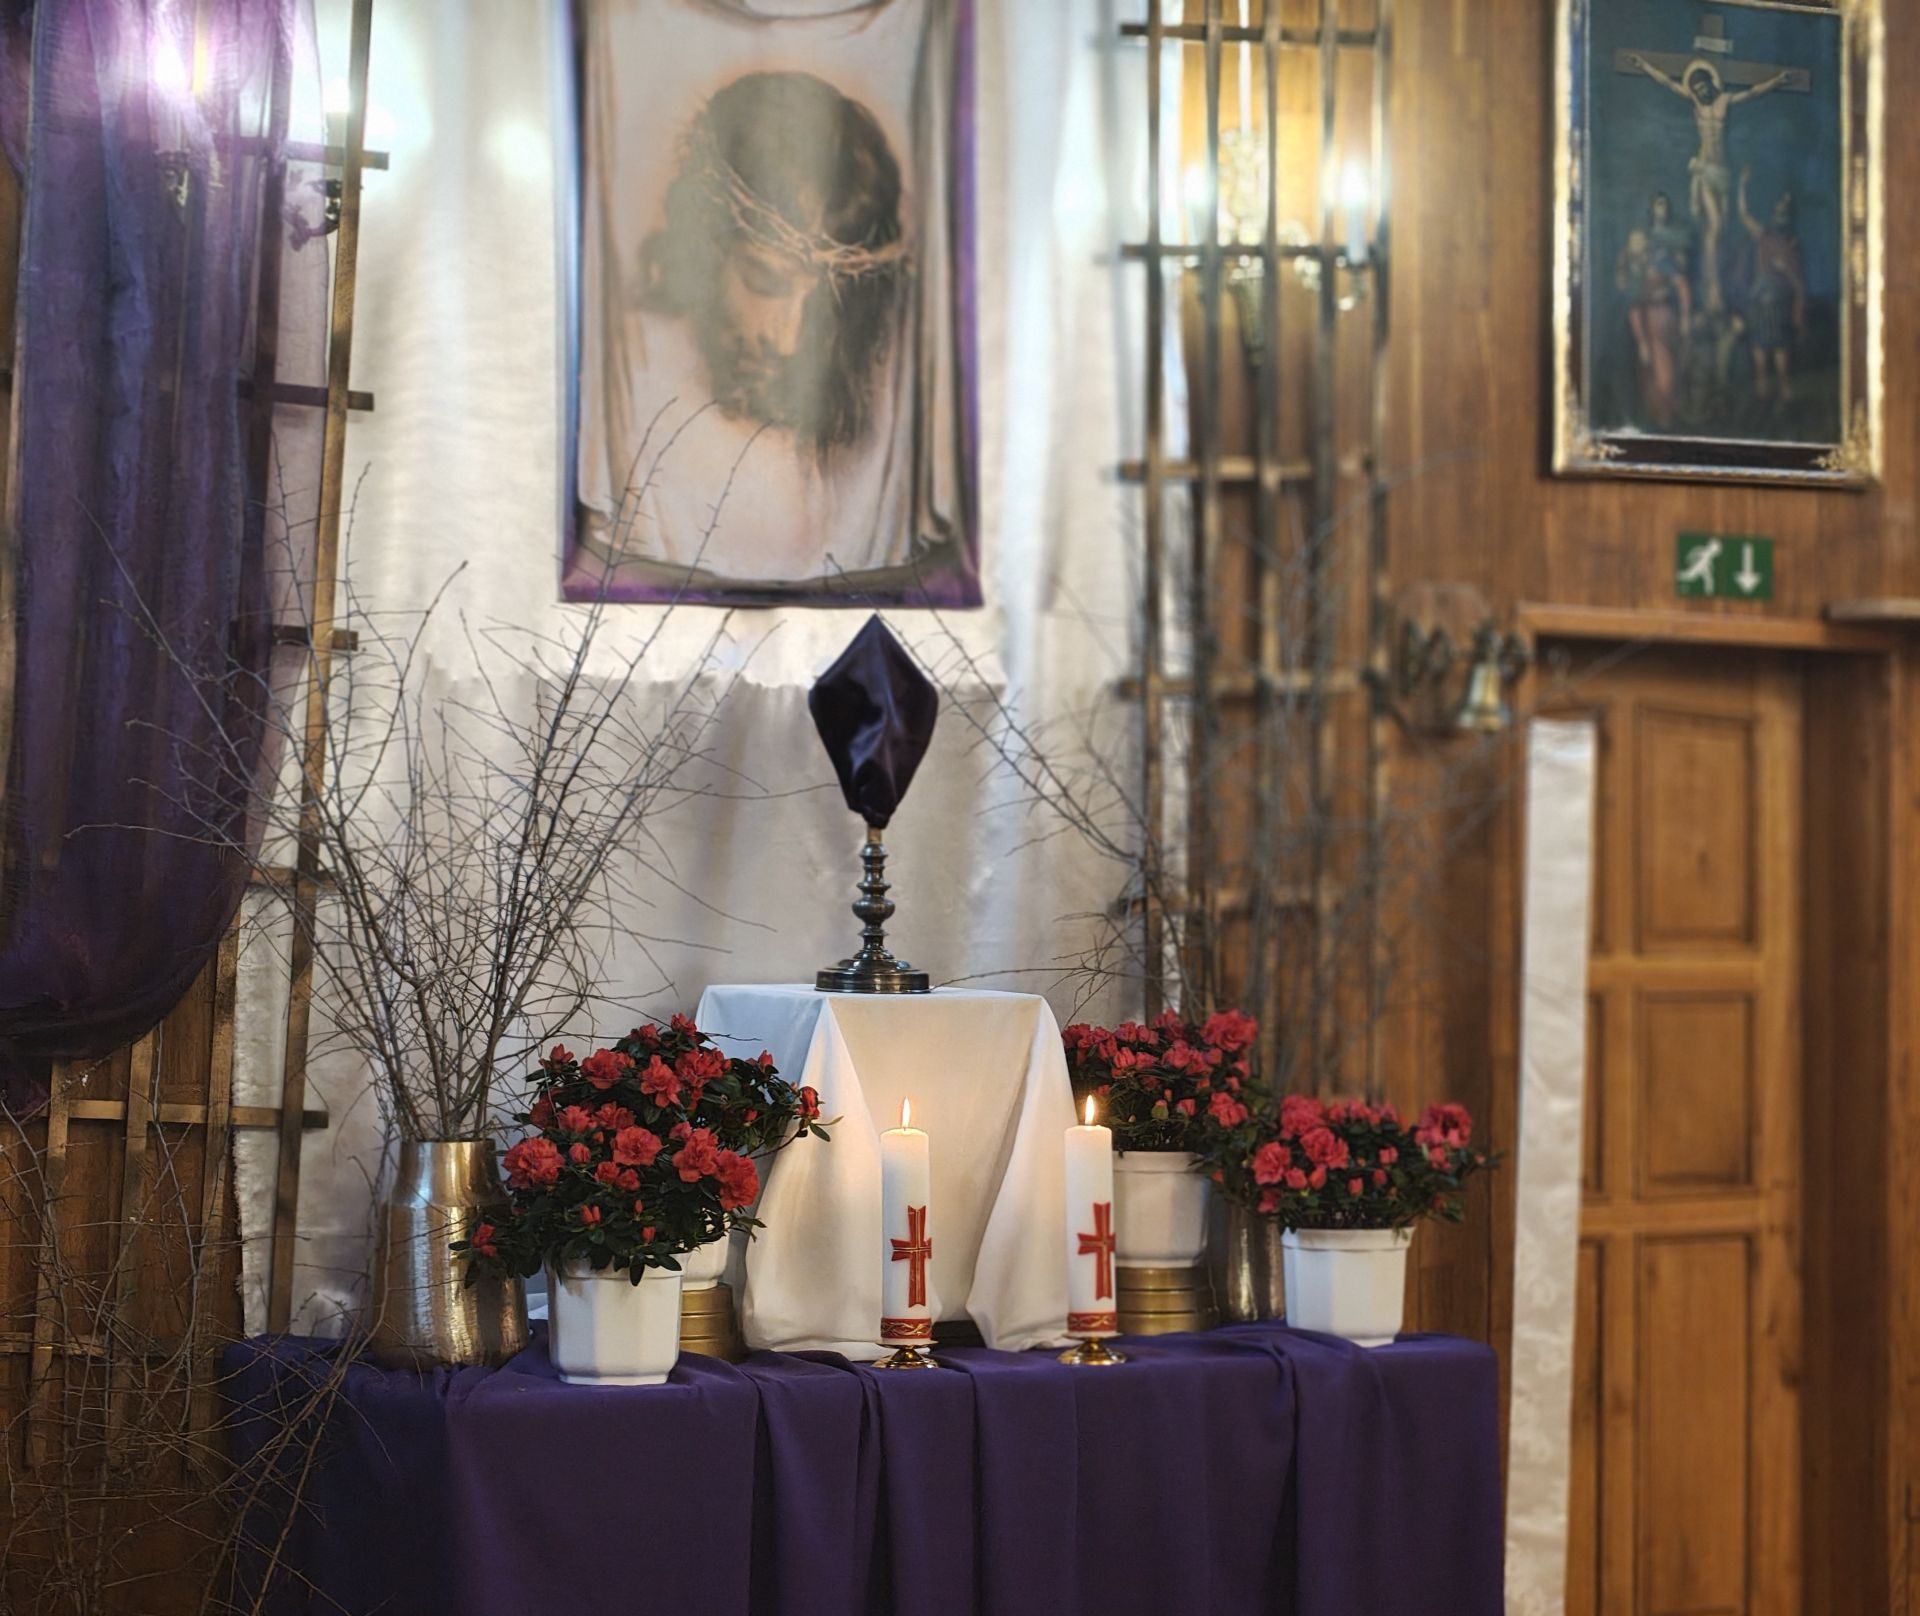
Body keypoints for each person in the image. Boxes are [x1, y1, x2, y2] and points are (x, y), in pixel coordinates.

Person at [639, 71, 910, 459]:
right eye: (765, 281)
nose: (788, 341)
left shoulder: (863, 407)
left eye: (823, 299)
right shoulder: (636, 377)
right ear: (706, 244)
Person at [1624, 54, 1791, 313]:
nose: (1701, 93)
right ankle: (1713, 288)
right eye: (1697, 90)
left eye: (1704, 88)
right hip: (1705, 170)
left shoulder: (1724, 100)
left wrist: (1777, 81)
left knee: (1719, 230)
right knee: (1714, 227)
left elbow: (1752, 92)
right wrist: (1645, 67)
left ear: (1712, 85)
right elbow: (1668, 82)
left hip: (1723, 171)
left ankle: (1713, 280)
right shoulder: (1695, 102)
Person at [1615, 194, 1691, 429]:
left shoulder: (1660, 259)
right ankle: (1654, 417)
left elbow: (1681, 284)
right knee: (1645, 370)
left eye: (1640, 241)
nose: (1636, 245)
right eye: (1633, 241)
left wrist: (1685, 317)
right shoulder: (1629, 265)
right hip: (1640, 321)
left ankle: (1666, 418)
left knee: (1664, 368)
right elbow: (1626, 293)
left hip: (1661, 319)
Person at [1737, 167, 1808, 406]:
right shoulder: (1764, 234)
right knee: (1759, 348)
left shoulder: (1791, 243)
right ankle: (1763, 395)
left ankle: (1785, 394)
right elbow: (1744, 215)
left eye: (1784, 208)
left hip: (1779, 301)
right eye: (1778, 208)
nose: (1780, 212)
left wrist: (1783, 269)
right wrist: (1742, 186)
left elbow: (1796, 280)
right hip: (1760, 300)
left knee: (1779, 348)